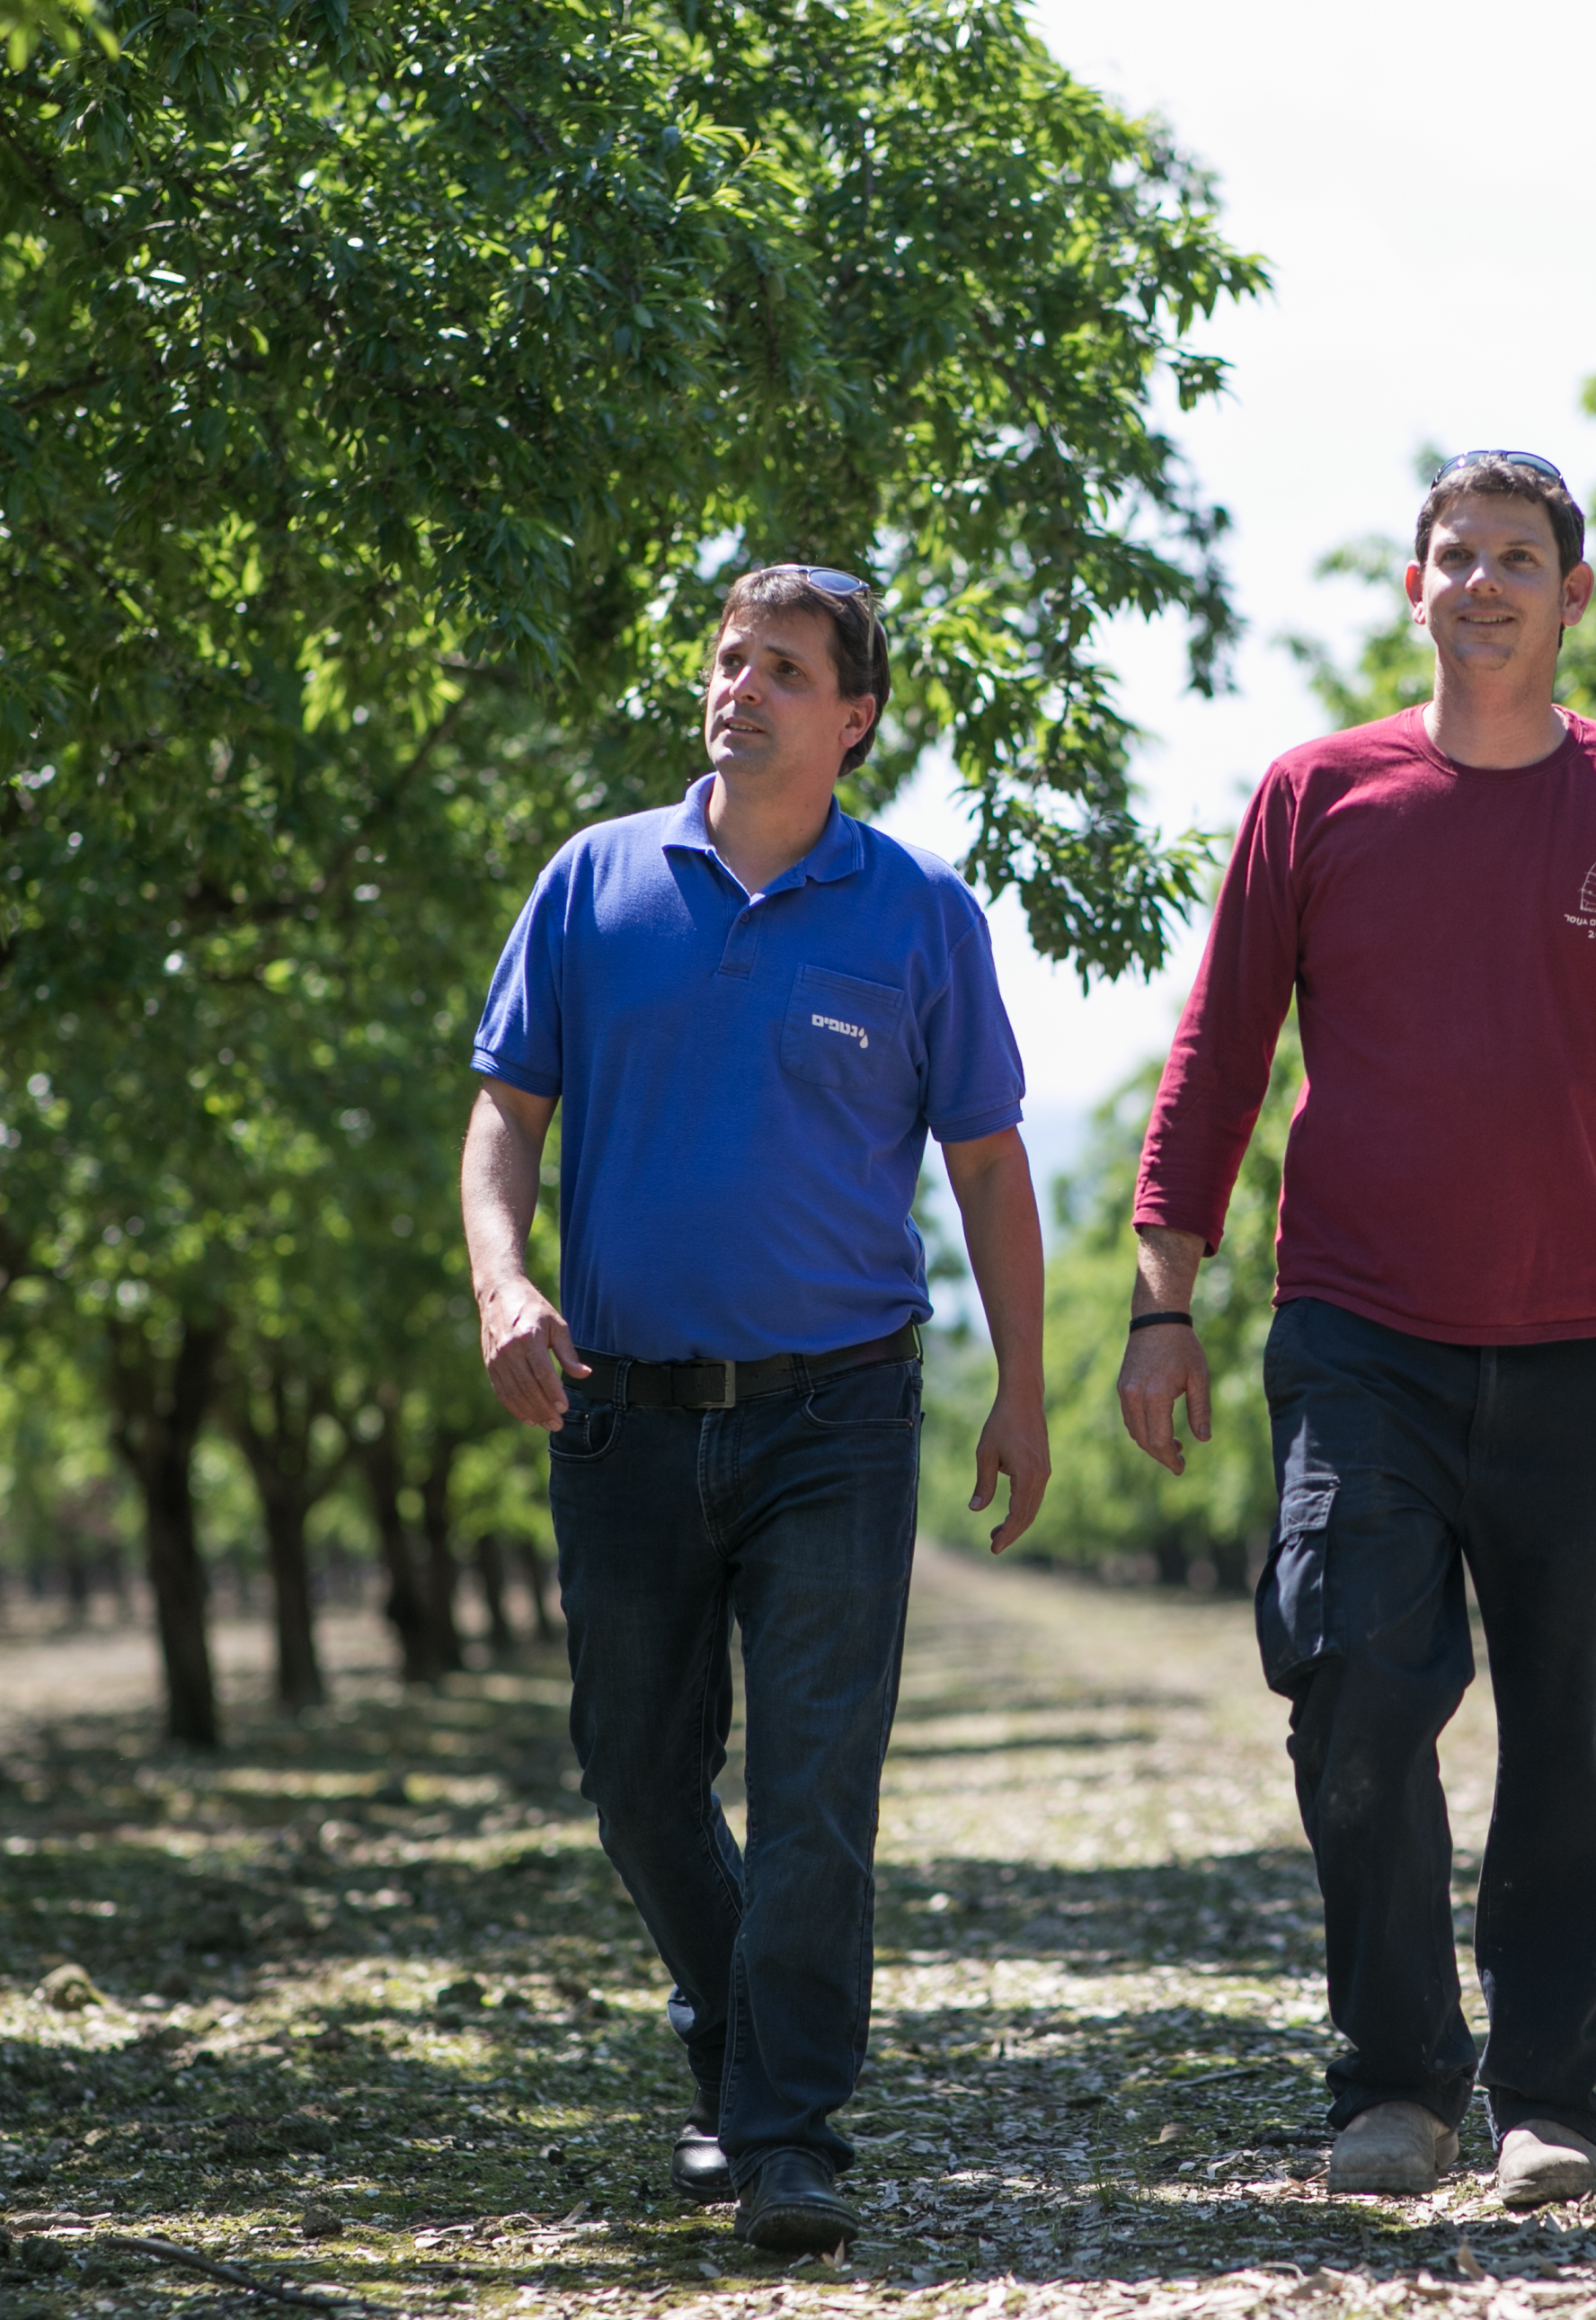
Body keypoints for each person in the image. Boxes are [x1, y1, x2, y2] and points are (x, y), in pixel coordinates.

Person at [1119, 452, 1596, 2209]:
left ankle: (1551, 2098)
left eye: (1518, 557)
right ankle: (1395, 2077)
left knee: (1579, 1736)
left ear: (1573, 596)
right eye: (1454, 554)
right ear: (1411, 587)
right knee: (1352, 1682)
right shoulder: (1315, 794)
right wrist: (1161, 1296)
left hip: (1587, 1342)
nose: (1482, 582)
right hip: (1363, 1333)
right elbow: (1216, 1054)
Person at [462, 564, 1051, 2254]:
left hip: (839, 1413)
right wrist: (506, 1283)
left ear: (853, 717)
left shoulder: (919, 910)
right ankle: (740, 2036)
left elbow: (992, 1163)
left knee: (814, 1786)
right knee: (634, 1774)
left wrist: (1023, 1385)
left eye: (785, 668)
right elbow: (503, 1116)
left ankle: (785, 2128)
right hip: (622, 1410)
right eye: (730, 660)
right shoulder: (594, 882)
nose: (744, 687)